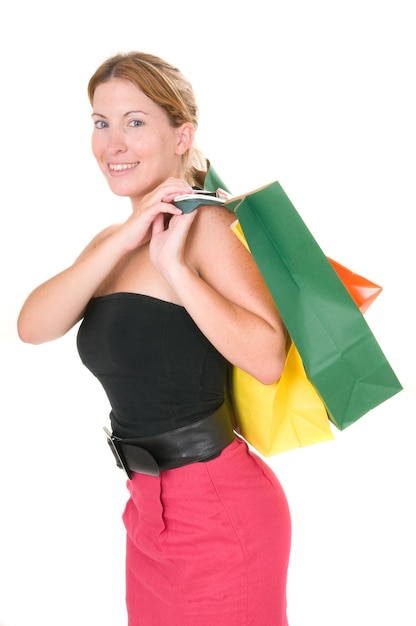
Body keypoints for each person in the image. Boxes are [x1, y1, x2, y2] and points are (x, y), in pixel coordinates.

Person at [17, 51, 291, 625]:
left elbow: (268, 357)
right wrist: (123, 239)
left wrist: (177, 271)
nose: (113, 143)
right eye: (101, 122)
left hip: (218, 508)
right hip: (146, 509)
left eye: (135, 122)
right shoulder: (111, 241)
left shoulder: (207, 228)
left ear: (181, 134)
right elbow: (32, 327)